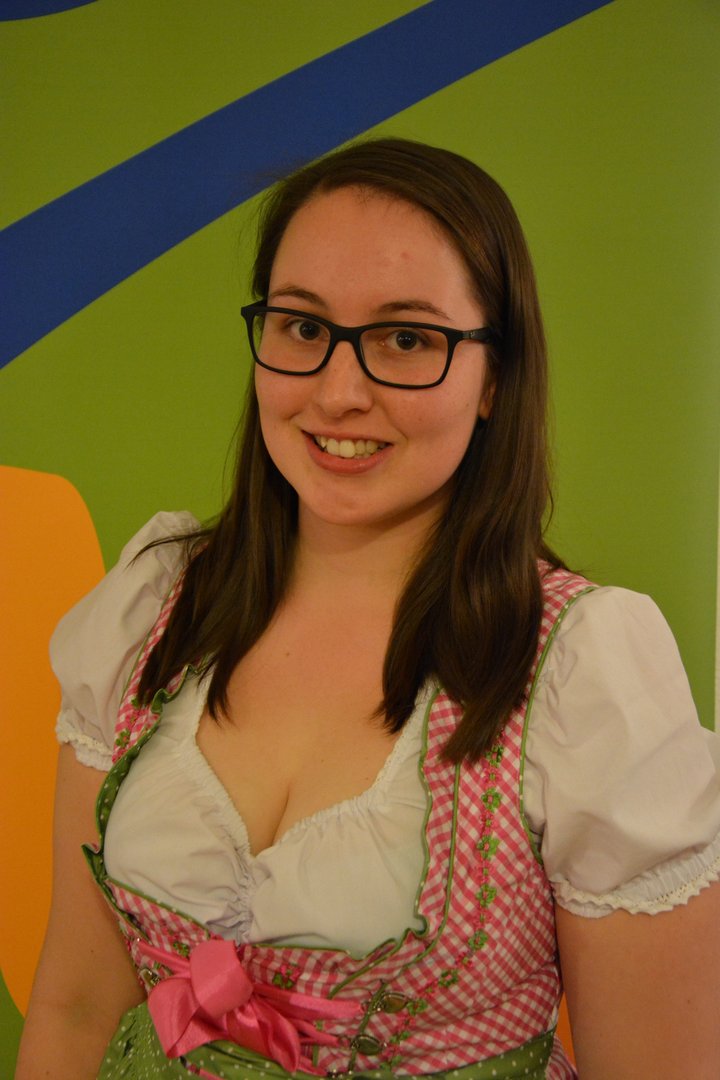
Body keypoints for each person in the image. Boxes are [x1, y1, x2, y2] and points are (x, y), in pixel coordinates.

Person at [16, 138, 720, 1080]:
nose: (339, 392)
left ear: (495, 378)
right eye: (303, 327)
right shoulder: (157, 611)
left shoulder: (576, 668)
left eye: (407, 340)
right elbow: (73, 1009)